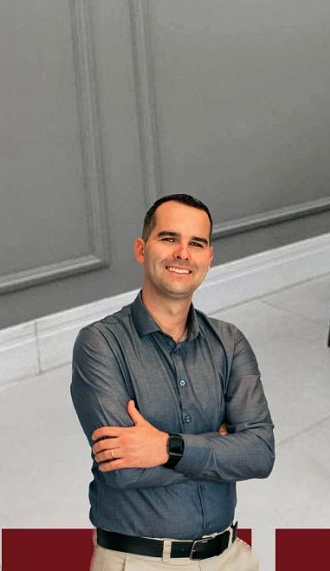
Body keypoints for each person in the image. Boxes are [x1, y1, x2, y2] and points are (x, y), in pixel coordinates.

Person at [70, 194, 274, 570]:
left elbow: (259, 454)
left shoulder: (230, 342)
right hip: (138, 561)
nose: (183, 253)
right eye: (169, 238)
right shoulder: (100, 343)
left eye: (196, 243)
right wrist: (220, 447)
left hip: (231, 557)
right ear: (141, 248)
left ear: (209, 257)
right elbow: (124, 468)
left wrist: (167, 447)